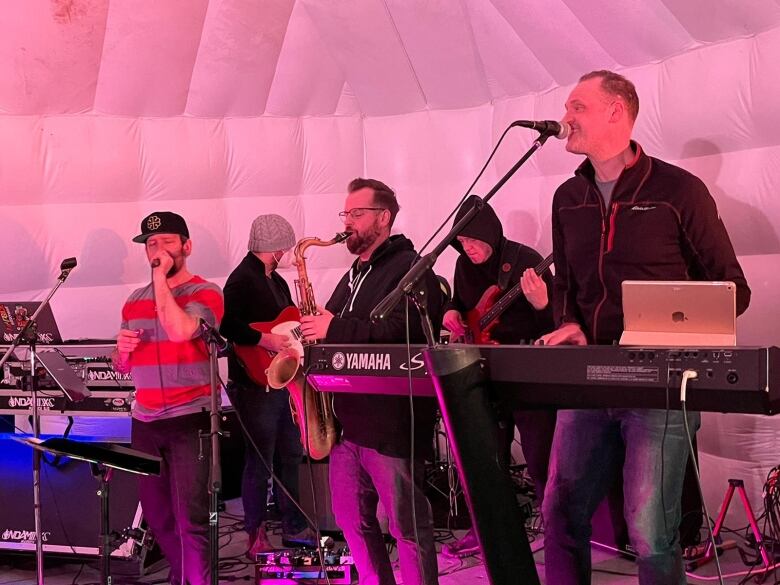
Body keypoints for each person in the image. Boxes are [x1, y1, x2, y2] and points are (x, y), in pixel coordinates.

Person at [539, 70, 751, 585]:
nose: (565, 118)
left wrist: (675, 325)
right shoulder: (567, 197)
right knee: (560, 516)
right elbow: (566, 282)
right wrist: (568, 322)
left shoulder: (679, 190)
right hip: (586, 380)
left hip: (660, 385)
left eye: (577, 107)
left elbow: (733, 290)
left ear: (617, 111)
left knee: (652, 532)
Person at [300, 178, 442, 585]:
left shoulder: (411, 270)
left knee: (407, 529)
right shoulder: (354, 274)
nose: (348, 223)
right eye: (345, 214)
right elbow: (327, 323)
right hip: (348, 425)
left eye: (357, 214)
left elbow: (406, 329)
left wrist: (336, 328)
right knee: (351, 523)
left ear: (384, 217)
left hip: (391, 423)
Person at [440, 195, 557, 556]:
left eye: (473, 241)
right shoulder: (463, 266)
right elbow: (459, 303)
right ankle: (487, 530)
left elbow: (557, 323)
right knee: (486, 457)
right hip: (481, 370)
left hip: (526, 373)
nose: (468, 249)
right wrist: (450, 312)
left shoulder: (526, 261)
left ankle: (556, 531)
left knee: (541, 457)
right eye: (462, 243)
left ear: (491, 234)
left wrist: (542, 304)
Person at [113, 211, 224, 585]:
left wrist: (161, 278)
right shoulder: (133, 300)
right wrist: (122, 352)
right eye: (150, 244)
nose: (156, 250)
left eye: (166, 242)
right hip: (145, 421)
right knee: (159, 519)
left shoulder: (206, 292)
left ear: (187, 247)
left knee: (192, 518)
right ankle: (183, 577)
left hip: (189, 419)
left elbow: (180, 331)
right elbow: (124, 368)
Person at [219, 214, 315, 557]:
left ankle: (294, 526)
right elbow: (226, 323)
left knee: (290, 454)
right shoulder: (241, 279)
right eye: (287, 246)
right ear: (275, 246)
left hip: (281, 385)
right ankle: (254, 532)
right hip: (253, 384)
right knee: (259, 461)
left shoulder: (276, 281)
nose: (290, 252)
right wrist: (266, 340)